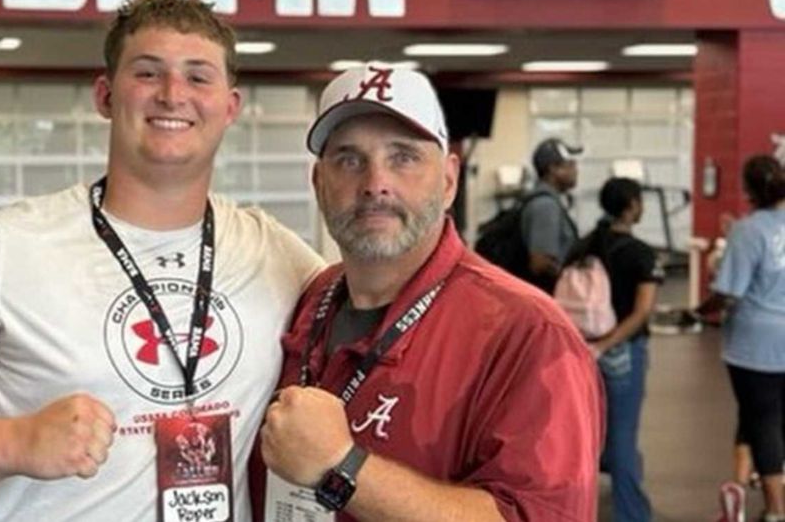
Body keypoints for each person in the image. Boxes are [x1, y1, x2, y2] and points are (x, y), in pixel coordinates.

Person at [0, 0, 323, 522]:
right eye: (147, 73)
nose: (172, 94)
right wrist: (15, 442)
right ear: (105, 96)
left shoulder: (276, 252)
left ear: (230, 107)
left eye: (198, 77)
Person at [250, 64, 604, 521]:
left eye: (404, 157)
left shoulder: (529, 334)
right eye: (349, 159)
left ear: (449, 180)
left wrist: (343, 468)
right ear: (319, 183)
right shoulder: (311, 298)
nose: (375, 183)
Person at [562, 177, 664, 522]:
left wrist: (591, 346)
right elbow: (642, 311)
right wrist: (608, 343)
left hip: (581, 351)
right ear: (632, 205)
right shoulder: (640, 253)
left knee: (587, 431)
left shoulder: (582, 246)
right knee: (622, 437)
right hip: (620, 352)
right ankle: (631, 515)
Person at [691, 155, 785, 522]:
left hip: (754, 345)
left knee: (762, 421)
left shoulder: (748, 232)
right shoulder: (750, 231)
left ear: (748, 190)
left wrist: (698, 311)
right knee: (759, 415)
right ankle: (739, 488)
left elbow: (729, 291)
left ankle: (776, 508)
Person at [521, 137, 581, 293]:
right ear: (553, 169)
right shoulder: (546, 206)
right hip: (547, 295)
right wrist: (574, 283)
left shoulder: (549, 202)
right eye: (570, 164)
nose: (576, 170)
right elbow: (540, 263)